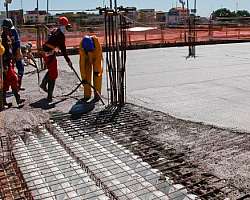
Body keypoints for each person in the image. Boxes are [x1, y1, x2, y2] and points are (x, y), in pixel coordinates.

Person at [39, 16, 73, 102]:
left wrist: (68, 60)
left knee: (51, 70)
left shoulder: (56, 31)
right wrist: (68, 60)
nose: (67, 29)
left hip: (47, 53)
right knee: (53, 74)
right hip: (48, 54)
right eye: (66, 27)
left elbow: (61, 48)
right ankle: (49, 96)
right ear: (63, 26)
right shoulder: (60, 35)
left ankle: (43, 84)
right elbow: (62, 49)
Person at [1, 24, 24, 108]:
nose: (11, 31)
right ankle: (18, 100)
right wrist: (5, 66)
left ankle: (3, 102)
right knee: (14, 79)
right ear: (5, 28)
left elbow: (10, 50)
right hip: (5, 64)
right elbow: (3, 53)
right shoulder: (2, 39)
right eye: (9, 29)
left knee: (5, 83)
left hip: (8, 63)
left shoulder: (7, 37)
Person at [79, 35, 103, 102]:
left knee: (97, 75)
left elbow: (99, 59)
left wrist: (97, 71)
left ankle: (97, 95)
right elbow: (82, 65)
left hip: (96, 58)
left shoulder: (97, 44)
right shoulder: (82, 48)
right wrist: (84, 78)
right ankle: (87, 95)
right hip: (86, 59)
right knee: (86, 77)